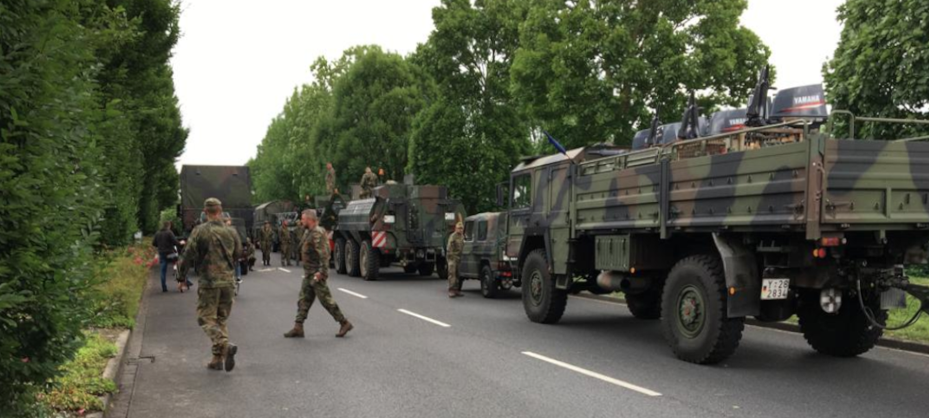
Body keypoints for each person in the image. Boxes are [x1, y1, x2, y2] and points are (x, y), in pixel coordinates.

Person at [178, 198, 242, 372]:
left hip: (209, 282)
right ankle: (217, 359)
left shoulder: (200, 231)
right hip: (228, 282)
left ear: (205, 212)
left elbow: (187, 255)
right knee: (220, 320)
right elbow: (238, 254)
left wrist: (181, 276)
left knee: (205, 318)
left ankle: (224, 345)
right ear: (220, 211)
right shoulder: (231, 231)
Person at [283, 209, 353, 339]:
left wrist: (322, 272)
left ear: (310, 219)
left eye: (303, 219)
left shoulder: (317, 233)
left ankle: (344, 323)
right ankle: (298, 327)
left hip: (316, 274)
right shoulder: (308, 232)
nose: (301, 221)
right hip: (309, 273)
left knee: (326, 300)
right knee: (303, 300)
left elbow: (324, 254)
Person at [152, 221, 183, 292]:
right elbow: (175, 242)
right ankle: (182, 281)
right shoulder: (169, 232)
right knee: (179, 263)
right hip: (170, 254)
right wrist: (180, 243)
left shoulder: (157, 233)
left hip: (162, 253)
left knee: (163, 271)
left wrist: (159, 245)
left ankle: (164, 287)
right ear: (169, 226)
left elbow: (153, 243)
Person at [446, 222, 465, 298]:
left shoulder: (462, 236)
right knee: (452, 273)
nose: (460, 230)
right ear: (456, 229)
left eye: (461, 228)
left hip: (459, 257)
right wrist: (451, 257)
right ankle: (451, 290)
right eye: (459, 228)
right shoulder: (453, 236)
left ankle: (456, 289)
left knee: (458, 274)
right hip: (452, 257)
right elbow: (449, 248)